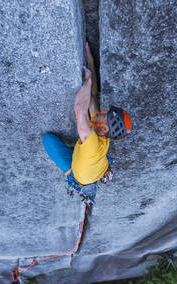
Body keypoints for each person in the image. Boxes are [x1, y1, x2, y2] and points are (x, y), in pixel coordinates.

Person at [42, 42, 132, 204]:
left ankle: (85, 188)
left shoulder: (91, 141)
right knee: (90, 160)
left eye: (106, 114)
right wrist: (90, 61)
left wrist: (87, 82)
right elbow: (92, 96)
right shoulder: (101, 128)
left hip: (81, 175)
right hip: (96, 164)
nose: (103, 111)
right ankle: (103, 171)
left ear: (105, 127)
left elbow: (80, 108)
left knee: (48, 140)